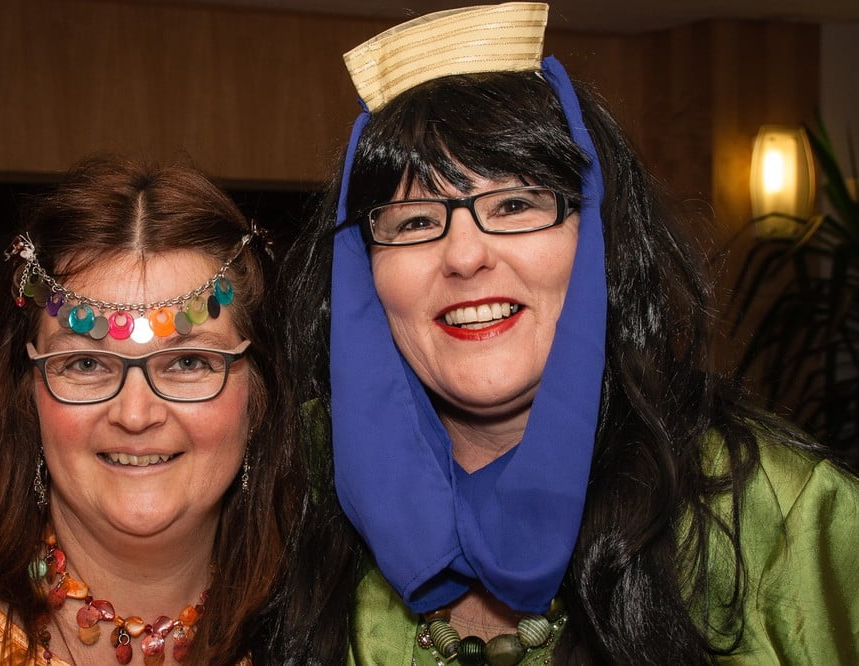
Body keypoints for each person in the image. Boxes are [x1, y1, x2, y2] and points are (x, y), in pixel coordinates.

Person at [281, 3, 859, 664]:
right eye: (415, 221)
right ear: (364, 272)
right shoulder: (290, 501)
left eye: (515, 204)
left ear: (597, 240)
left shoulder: (786, 517)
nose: (464, 255)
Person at [0, 156, 352, 665]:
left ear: (260, 399)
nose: (135, 415)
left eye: (187, 362)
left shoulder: (344, 638)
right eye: (86, 363)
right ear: (28, 399)